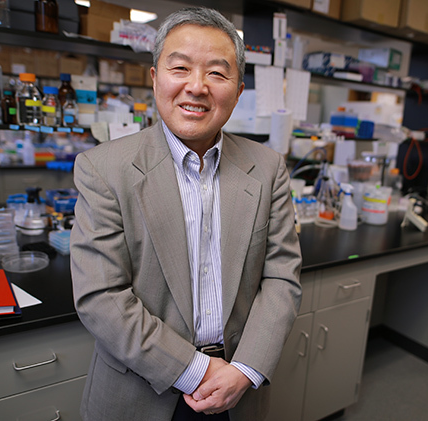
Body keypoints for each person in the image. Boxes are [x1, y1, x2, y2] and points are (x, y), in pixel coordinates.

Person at [70, 7, 302, 421]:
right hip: (139, 388)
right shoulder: (103, 168)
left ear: (239, 88)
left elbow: (282, 275)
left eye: (217, 73)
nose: (197, 87)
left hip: (237, 386)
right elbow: (100, 297)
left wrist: (246, 370)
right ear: (155, 76)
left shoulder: (267, 168)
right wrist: (194, 369)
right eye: (180, 68)